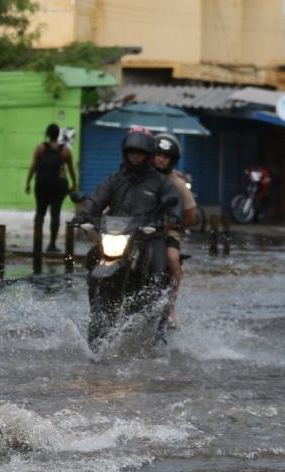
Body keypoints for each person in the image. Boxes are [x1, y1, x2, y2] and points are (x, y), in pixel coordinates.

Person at [76, 127, 183, 269]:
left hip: (149, 234)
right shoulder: (114, 179)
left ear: (149, 155)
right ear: (125, 153)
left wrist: (174, 216)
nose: (135, 156)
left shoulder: (161, 181)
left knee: (158, 269)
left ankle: (158, 291)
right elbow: (97, 198)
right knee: (91, 260)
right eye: (132, 152)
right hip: (115, 233)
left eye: (140, 153)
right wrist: (85, 213)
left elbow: (173, 199)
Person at [152, 133, 195, 326]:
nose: (160, 158)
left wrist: (176, 226)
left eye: (165, 156)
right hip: (136, 228)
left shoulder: (176, 182)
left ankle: (170, 306)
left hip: (165, 231)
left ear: (172, 160)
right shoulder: (139, 176)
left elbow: (191, 214)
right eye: (157, 154)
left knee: (173, 259)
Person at [25, 123, 77, 252]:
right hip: (58, 187)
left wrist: (28, 183)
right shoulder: (65, 150)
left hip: (41, 186)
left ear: (48, 134)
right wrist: (74, 184)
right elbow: (71, 170)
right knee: (55, 215)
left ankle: (37, 244)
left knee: (40, 214)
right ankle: (52, 245)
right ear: (58, 134)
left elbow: (33, 167)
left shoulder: (40, 148)